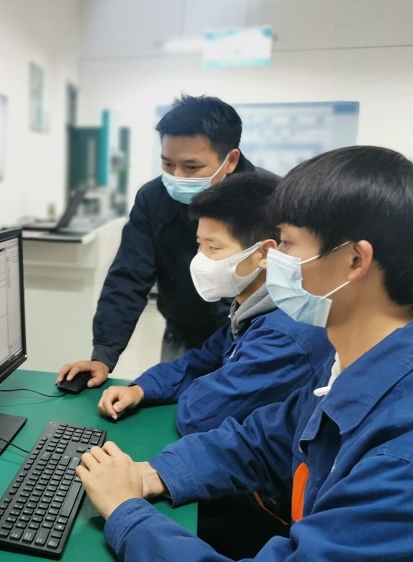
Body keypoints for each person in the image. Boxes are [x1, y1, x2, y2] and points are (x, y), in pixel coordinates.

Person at [76, 145, 413, 560]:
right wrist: (154, 473)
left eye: (286, 243)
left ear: (355, 261)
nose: (273, 259)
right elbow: (264, 440)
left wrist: (126, 513)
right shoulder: (353, 358)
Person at [96, 172, 333, 558]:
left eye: (213, 247)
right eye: (199, 245)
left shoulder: (289, 331)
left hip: (269, 506)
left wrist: (129, 512)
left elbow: (202, 414)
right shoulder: (252, 307)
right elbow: (205, 363)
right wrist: (143, 388)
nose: (201, 260)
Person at [57, 95, 273, 390]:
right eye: (168, 164)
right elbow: (128, 276)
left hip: (255, 335)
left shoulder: (272, 198)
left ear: (231, 160)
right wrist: (104, 354)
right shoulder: (154, 198)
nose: (177, 176)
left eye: (192, 167)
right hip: (184, 331)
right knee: (169, 397)